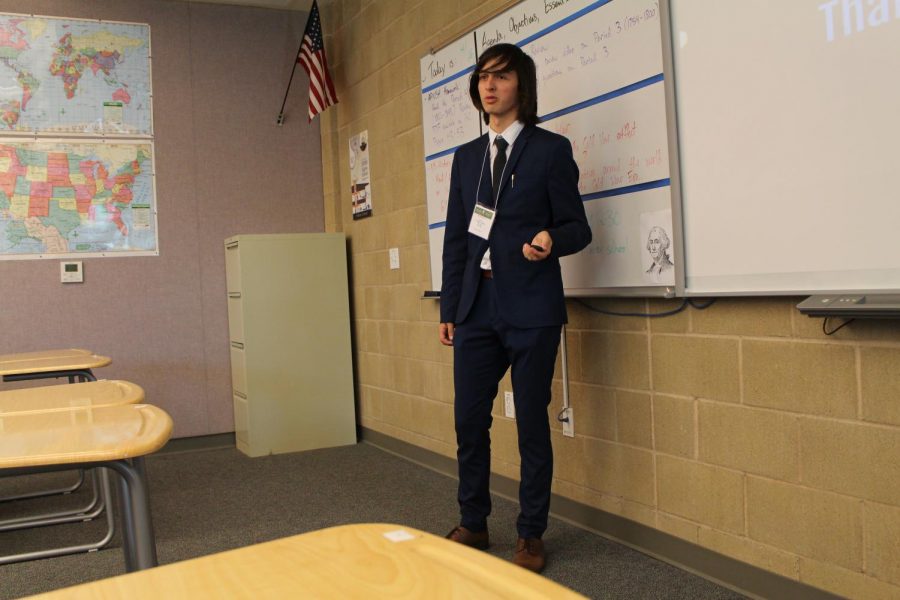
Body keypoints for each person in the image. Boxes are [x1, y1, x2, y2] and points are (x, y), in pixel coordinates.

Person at [439, 43, 591, 573]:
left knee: (531, 423)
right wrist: (450, 306)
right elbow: (457, 237)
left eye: (500, 77)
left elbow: (579, 227)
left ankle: (530, 534)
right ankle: (474, 522)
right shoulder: (465, 158)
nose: (489, 86)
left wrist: (552, 237)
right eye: (483, 77)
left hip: (532, 308)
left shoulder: (550, 150)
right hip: (477, 308)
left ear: (520, 87)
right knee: (467, 420)